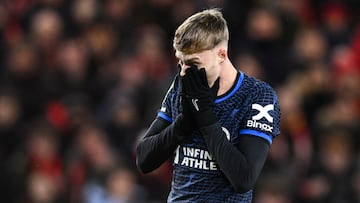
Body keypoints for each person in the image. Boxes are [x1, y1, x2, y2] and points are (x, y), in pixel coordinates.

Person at [135, 8, 281, 202]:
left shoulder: (256, 95)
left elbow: (243, 179)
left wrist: (205, 118)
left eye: (193, 63)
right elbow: (144, 159)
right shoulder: (181, 85)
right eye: (181, 62)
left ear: (221, 54)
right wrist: (183, 124)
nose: (185, 72)